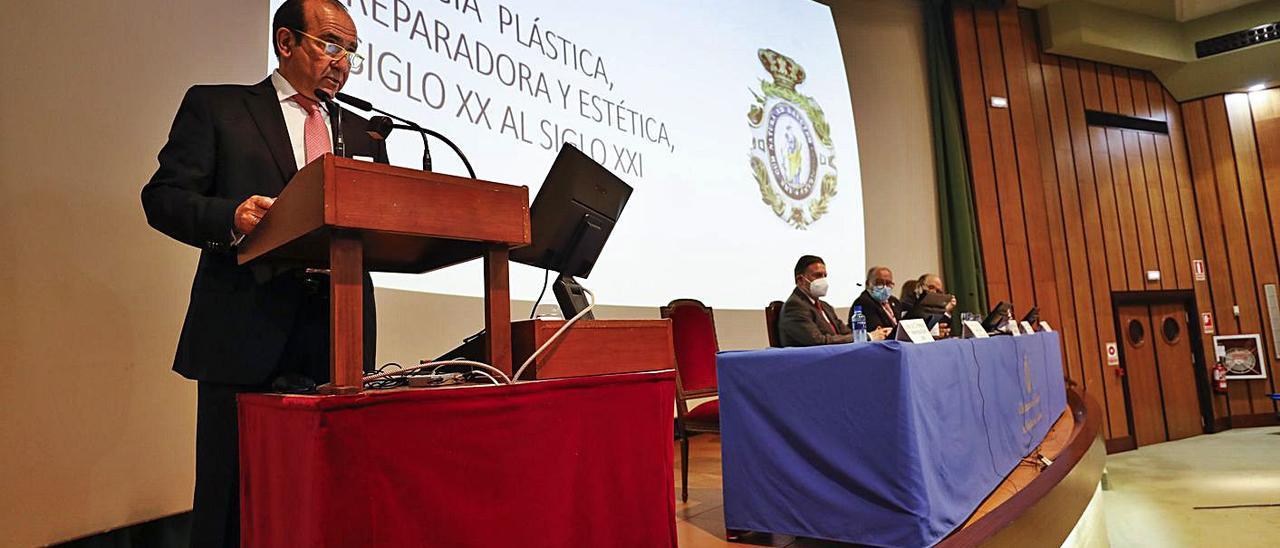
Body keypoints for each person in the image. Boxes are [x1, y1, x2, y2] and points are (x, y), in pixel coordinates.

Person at [140, 1, 385, 546]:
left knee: (329, 494)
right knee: (230, 504)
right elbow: (163, 198)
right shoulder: (218, 107)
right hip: (245, 326)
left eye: (351, 50)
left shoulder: (366, 133)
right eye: (330, 43)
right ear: (285, 42)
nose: (342, 61)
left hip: (338, 333)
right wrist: (230, 216)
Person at [779, 255, 889, 346]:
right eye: (817, 275)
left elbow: (845, 332)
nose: (823, 280)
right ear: (800, 280)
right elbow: (818, 341)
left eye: (824, 275)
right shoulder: (795, 306)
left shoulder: (824, 306)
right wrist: (868, 337)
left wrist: (872, 334)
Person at [900, 273, 957, 338]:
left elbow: (944, 327)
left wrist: (947, 310)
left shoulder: (936, 305)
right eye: (931, 287)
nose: (934, 292)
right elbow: (910, 327)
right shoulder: (908, 303)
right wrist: (934, 331)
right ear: (919, 286)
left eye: (938, 291)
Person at [851, 266, 903, 332]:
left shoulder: (895, 301)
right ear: (867, 284)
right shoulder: (863, 302)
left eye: (888, 283)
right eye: (879, 283)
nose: (885, 287)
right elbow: (877, 329)